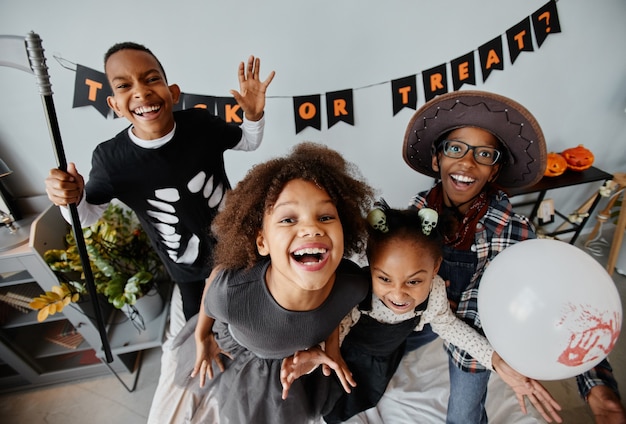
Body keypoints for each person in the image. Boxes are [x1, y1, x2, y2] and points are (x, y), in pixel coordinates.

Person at [402, 90, 625, 423]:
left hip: (478, 341)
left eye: (484, 154)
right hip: (429, 313)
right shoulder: (417, 212)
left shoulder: (512, 229)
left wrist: (596, 385)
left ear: (494, 171)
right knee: (378, 348)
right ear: (437, 160)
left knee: (463, 416)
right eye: (455, 148)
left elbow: (561, 305)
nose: (467, 162)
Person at [44, 42, 275, 320]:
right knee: (197, 322)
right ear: (115, 105)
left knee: (264, 303)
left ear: (173, 92)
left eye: (152, 79)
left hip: (238, 245)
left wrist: (252, 114)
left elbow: (248, 142)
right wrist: (69, 198)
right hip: (185, 269)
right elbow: (87, 217)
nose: (141, 91)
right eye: (124, 86)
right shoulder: (111, 159)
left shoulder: (199, 124)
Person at [282, 203, 561, 423]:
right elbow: (335, 325)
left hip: (384, 359)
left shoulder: (436, 291)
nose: (399, 294)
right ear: (371, 267)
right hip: (346, 353)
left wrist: (497, 361)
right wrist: (318, 353)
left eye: (414, 281)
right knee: (329, 400)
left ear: (436, 268)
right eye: (385, 279)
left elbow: (449, 327)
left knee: (363, 396)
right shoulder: (360, 289)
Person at [169, 142, 375, 423]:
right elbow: (214, 283)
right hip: (246, 358)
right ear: (262, 241)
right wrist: (202, 336)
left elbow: (335, 313)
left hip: (296, 363)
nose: (311, 228)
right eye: (289, 219)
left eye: (325, 216)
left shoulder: (354, 285)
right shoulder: (232, 294)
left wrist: (332, 348)